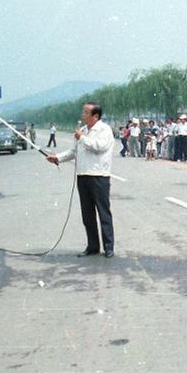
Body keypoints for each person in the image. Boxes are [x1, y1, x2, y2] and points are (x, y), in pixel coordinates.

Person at [46, 102, 116, 258]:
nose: (82, 115)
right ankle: (92, 246)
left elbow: (99, 146)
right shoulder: (83, 131)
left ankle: (109, 247)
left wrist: (82, 138)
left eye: (86, 112)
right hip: (83, 175)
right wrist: (58, 158)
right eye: (83, 112)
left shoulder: (104, 130)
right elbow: (74, 151)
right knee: (87, 213)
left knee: (103, 212)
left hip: (99, 176)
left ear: (95, 116)